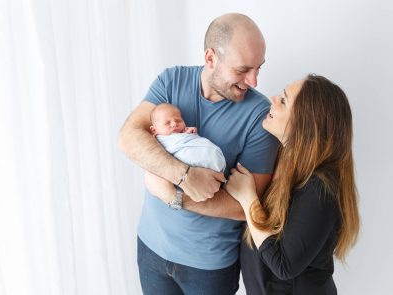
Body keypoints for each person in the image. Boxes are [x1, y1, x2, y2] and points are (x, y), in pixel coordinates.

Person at [118, 13, 279, 295]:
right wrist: (183, 175)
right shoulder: (171, 81)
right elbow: (129, 137)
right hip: (151, 248)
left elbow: (249, 207)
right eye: (243, 70)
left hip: (208, 268)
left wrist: (175, 196)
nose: (253, 80)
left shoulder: (259, 116)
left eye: (258, 68)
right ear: (210, 58)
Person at [223, 74, 361, 294]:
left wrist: (248, 198)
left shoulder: (320, 188)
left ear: (307, 123)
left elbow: (283, 265)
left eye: (284, 100)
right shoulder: (277, 160)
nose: (273, 99)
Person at [150, 103, 226, 173]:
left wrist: (189, 134)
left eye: (178, 120)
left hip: (212, 160)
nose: (174, 124)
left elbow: (190, 139)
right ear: (154, 130)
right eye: (167, 123)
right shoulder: (160, 141)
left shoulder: (185, 132)